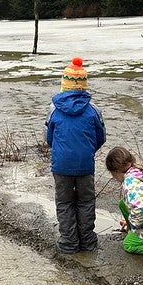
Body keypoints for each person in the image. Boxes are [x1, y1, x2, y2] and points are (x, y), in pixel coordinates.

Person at [45, 57, 106, 253]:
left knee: (64, 202)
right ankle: (87, 242)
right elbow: (101, 137)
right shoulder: (93, 109)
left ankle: (69, 243)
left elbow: (49, 139)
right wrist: (86, 151)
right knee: (86, 202)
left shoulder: (53, 110)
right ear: (84, 85)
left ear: (64, 84)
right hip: (85, 165)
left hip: (61, 165)